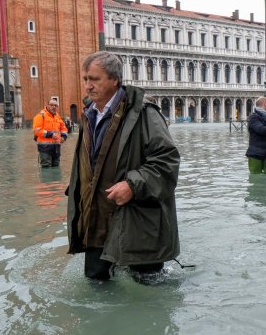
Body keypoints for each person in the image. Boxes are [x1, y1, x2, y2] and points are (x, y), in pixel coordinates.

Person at [66, 51, 181, 282]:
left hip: (137, 221)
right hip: (95, 218)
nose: (88, 86)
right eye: (85, 79)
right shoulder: (89, 114)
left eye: (94, 79)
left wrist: (132, 185)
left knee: (147, 291)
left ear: (114, 79)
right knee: (96, 285)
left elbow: (167, 161)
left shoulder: (145, 114)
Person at [33, 98, 68, 167]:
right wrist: (50, 134)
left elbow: (63, 128)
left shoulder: (57, 116)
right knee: (46, 167)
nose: (54, 107)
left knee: (56, 165)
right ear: (47, 105)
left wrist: (64, 137)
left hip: (56, 147)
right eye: (51, 105)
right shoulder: (40, 116)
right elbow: (36, 130)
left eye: (56, 105)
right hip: (45, 147)